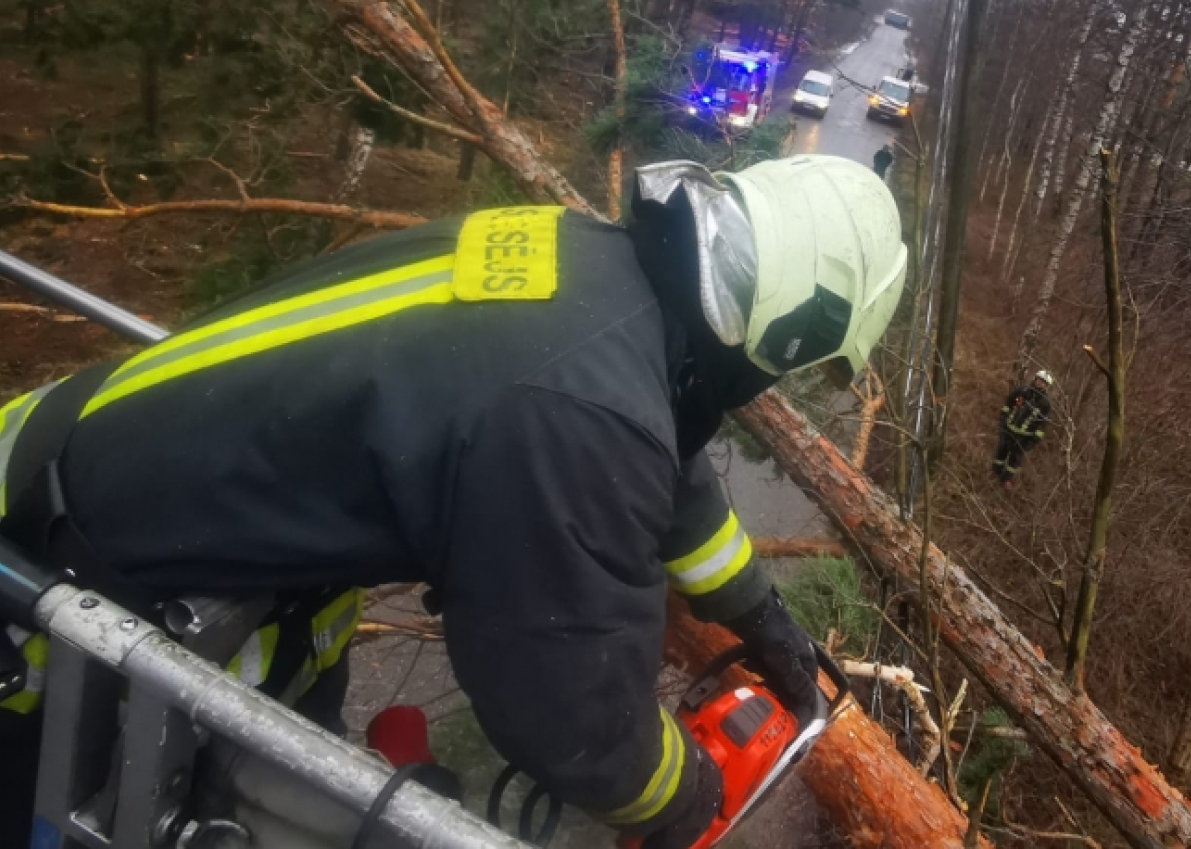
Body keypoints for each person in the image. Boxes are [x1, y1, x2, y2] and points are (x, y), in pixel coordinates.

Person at [0, 154, 908, 849]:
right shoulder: (579, 412)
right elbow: (572, 715)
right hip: (59, 594)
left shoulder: (589, 267)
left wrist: (756, 609)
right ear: (794, 328)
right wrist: (682, 798)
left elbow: (655, 452)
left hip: (117, 480)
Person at [993, 369, 1053, 488]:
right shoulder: (1021, 391)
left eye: (1043, 382)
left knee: (1015, 459)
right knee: (1001, 451)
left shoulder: (1045, 404)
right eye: (1039, 380)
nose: (1040, 383)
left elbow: (1042, 425)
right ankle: (995, 471)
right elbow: (1008, 403)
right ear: (1035, 379)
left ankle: (1006, 479)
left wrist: (1032, 442)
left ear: (1047, 386)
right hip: (1008, 429)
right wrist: (1002, 421)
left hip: (1023, 437)